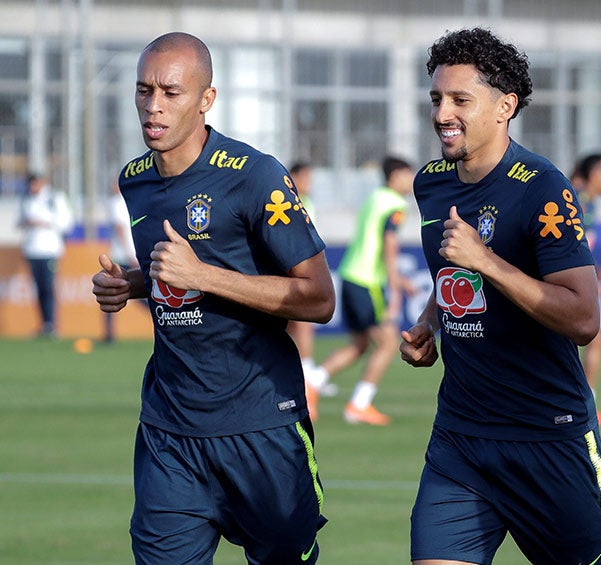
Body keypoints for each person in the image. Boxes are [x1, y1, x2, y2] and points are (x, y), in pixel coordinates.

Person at [90, 32, 334, 564]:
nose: (153, 106)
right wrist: (133, 284)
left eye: (171, 92)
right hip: (170, 431)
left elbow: (318, 299)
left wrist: (203, 274)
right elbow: (176, 277)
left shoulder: (255, 177)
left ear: (206, 99)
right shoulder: (135, 181)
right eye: (144, 89)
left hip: (262, 427)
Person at [400, 27, 601, 565]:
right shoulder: (431, 182)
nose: (442, 113)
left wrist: (487, 261)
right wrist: (431, 320)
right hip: (460, 439)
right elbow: (451, 271)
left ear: (505, 107)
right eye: (436, 99)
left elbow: (583, 317)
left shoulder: (543, 186)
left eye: (460, 100)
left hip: (548, 438)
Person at [307, 155, 417, 425]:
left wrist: (400, 280)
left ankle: (313, 382)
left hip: (350, 274)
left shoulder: (375, 198)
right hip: (367, 281)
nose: (411, 180)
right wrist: (395, 294)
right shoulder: (394, 203)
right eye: (408, 174)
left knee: (359, 344)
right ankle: (359, 404)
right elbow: (388, 248)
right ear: (395, 177)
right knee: (389, 342)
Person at [571, 152, 601, 427]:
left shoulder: (588, 203)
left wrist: (596, 271)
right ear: (594, 173)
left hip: (577, 282)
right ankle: (585, 407)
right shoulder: (578, 201)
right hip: (564, 286)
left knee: (595, 338)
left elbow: (580, 247)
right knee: (596, 337)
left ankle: (585, 406)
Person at [284, 161, 332, 417]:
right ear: (292, 177)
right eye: (306, 177)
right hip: (290, 278)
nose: (310, 182)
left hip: (291, 275)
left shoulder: (305, 202)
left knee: (295, 329)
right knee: (302, 326)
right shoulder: (285, 203)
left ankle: (305, 382)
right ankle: (307, 385)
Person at [18, 173, 73, 338]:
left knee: (49, 287)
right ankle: (44, 324)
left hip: (50, 249)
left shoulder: (54, 198)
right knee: (39, 289)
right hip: (31, 250)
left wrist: (44, 222)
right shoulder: (26, 200)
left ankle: (52, 325)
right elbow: (19, 221)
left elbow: (66, 223)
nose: (31, 188)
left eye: (34, 184)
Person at [104, 179, 140, 343]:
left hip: (124, 256)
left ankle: (109, 335)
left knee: (117, 291)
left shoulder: (120, 202)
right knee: (114, 291)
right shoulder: (121, 202)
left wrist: (130, 254)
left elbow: (120, 229)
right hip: (123, 255)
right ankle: (109, 334)